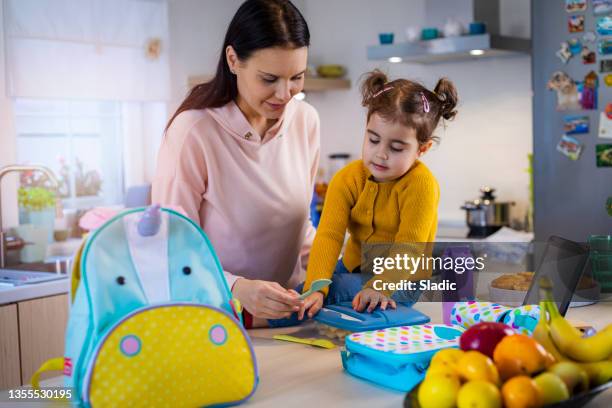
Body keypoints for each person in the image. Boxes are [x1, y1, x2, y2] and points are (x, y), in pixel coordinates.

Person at [152, 0, 319, 328]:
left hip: (286, 321)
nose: (285, 93)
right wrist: (237, 288)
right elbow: (171, 249)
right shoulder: (194, 131)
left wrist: (329, 274)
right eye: (269, 78)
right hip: (211, 321)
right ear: (233, 60)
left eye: (296, 77)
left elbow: (300, 229)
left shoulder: (306, 121)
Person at [297, 70, 458, 320]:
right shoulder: (347, 178)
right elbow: (329, 235)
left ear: (422, 149)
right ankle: (258, 312)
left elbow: (409, 249)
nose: (380, 154)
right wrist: (316, 286)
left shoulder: (421, 185)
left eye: (396, 148)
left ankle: (253, 317)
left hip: (403, 281)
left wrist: (380, 286)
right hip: (353, 267)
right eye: (373, 140)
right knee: (317, 288)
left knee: (336, 291)